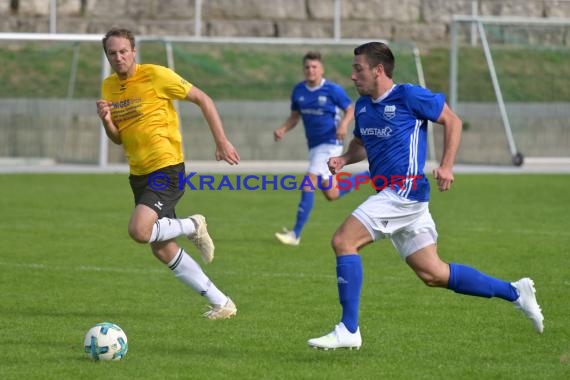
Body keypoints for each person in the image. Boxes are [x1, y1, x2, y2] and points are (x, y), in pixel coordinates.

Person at [307, 42, 544, 350]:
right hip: (399, 198)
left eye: (358, 69)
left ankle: (349, 328)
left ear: (378, 70)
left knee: (343, 241)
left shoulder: (409, 95)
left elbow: (452, 120)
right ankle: (515, 292)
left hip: (404, 191)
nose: (352, 76)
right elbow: (361, 145)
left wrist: (446, 165)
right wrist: (343, 159)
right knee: (433, 273)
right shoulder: (363, 106)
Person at [96, 28, 240, 320]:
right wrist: (107, 122)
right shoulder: (109, 87)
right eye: (112, 53)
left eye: (124, 51)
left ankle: (192, 224)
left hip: (167, 167)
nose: (119, 57)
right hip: (138, 174)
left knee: (140, 231)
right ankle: (222, 303)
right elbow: (118, 139)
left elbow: (204, 99)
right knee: (161, 248)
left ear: (134, 51)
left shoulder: (156, 75)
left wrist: (221, 141)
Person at [274, 51, 369, 246]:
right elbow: (295, 116)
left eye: (314, 67)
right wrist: (283, 128)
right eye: (307, 67)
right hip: (314, 146)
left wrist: (343, 125)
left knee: (308, 182)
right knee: (331, 194)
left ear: (321, 69)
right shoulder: (299, 91)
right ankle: (369, 174)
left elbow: (350, 109)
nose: (311, 70)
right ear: (304, 69)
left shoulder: (332, 90)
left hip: (330, 144)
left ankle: (295, 234)